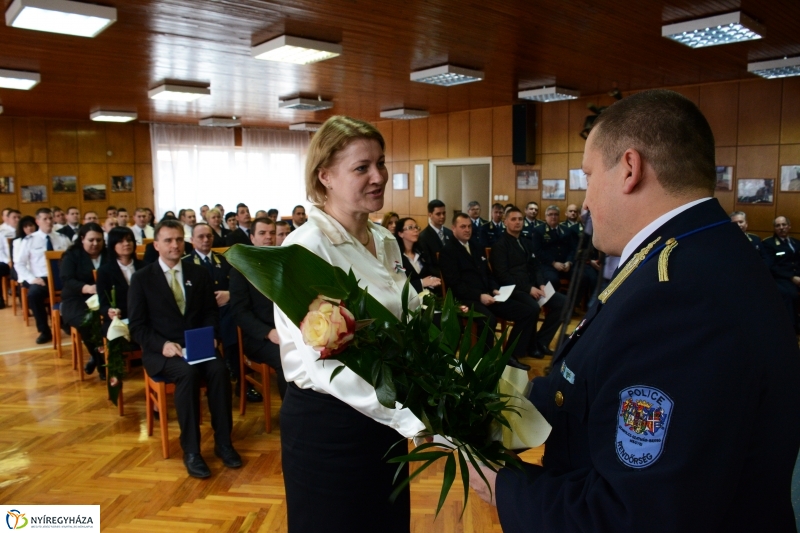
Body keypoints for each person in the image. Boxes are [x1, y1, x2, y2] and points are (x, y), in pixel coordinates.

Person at [469, 89, 800, 533]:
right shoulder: (694, 251)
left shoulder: (676, 294)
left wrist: (501, 487)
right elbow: (596, 383)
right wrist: (507, 405)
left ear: (629, 168)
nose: (585, 203)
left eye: (588, 176)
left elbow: (632, 516)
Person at [275, 116, 424, 533]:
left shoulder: (385, 239)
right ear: (326, 176)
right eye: (362, 168)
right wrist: (412, 419)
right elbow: (329, 365)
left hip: (386, 412)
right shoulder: (306, 249)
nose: (379, 176)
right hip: (332, 428)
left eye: (381, 163)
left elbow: (405, 314)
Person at [128, 219, 240, 479]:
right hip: (162, 352)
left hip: (198, 347)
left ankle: (224, 443)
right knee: (187, 375)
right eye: (168, 240)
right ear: (156, 245)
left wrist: (212, 335)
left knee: (220, 371)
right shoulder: (142, 279)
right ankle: (192, 451)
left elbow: (211, 312)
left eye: (179, 239)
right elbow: (137, 326)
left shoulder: (198, 273)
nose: (175, 245)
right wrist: (163, 345)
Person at [439, 212, 537, 371]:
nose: (467, 230)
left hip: (488, 295)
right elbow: (455, 284)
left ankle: (510, 355)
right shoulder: (448, 251)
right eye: (463, 226)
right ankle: (485, 362)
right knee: (488, 319)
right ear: (453, 228)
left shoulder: (476, 246)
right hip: (465, 298)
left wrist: (493, 289)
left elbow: (489, 273)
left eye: (469, 226)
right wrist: (479, 296)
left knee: (528, 311)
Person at [490, 207, 567, 356]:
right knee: (532, 308)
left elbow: (536, 266)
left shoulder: (526, 242)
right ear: (505, 222)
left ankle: (541, 341)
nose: (518, 222)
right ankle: (525, 349)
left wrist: (541, 284)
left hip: (533, 286)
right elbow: (503, 276)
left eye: (520, 219)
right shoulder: (499, 246)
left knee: (563, 303)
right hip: (514, 289)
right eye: (513, 219)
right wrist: (528, 289)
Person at [230, 219, 287, 401]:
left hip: (286, 331)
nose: (268, 237)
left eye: (272, 233)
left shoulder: (283, 264)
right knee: (286, 359)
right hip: (258, 337)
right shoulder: (241, 268)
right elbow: (240, 312)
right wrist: (268, 332)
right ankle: (293, 416)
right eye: (262, 233)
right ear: (252, 238)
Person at [187, 223, 236, 378]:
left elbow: (238, 288)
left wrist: (229, 294)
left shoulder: (225, 260)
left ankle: (234, 368)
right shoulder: (186, 263)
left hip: (225, 310)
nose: (206, 240)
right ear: (192, 240)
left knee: (234, 318)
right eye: (201, 236)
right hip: (201, 315)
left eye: (209, 236)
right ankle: (219, 369)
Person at [15, 208, 71, 344]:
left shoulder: (62, 238)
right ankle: (44, 330)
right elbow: (19, 263)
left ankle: (67, 322)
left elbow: (73, 258)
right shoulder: (29, 240)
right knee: (33, 295)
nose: (49, 221)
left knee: (76, 291)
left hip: (62, 277)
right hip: (42, 279)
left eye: (50, 218)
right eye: (45, 219)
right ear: (37, 221)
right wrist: (32, 279)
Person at [59, 223, 107, 379]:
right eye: (91, 240)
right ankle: (102, 365)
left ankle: (101, 357)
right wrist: (87, 288)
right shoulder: (72, 255)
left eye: (99, 240)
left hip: (104, 297)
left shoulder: (109, 254)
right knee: (88, 323)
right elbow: (67, 280)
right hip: (76, 299)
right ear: (82, 239)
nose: (95, 244)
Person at [97, 226, 144, 339]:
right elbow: (103, 304)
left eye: (129, 240)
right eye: (121, 241)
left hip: (144, 316)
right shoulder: (104, 271)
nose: (126, 244)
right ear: (113, 245)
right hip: (121, 317)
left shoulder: (145, 267)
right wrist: (110, 311)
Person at [761, 216, 800, 329]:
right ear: (774, 228)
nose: (781, 228)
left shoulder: (796, 242)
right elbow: (772, 266)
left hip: (797, 276)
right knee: (791, 294)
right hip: (781, 278)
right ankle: (791, 326)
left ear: (789, 226)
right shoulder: (769, 243)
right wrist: (792, 277)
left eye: (784, 225)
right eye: (778, 225)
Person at [394, 217, 441, 293]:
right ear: (400, 233)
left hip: (427, 298)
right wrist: (421, 283)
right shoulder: (396, 258)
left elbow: (430, 272)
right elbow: (398, 285)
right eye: (410, 227)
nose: (415, 230)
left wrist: (432, 281)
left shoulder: (421, 253)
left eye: (416, 227)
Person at [417, 199, 452, 276]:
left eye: (444, 213)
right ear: (430, 215)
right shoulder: (423, 237)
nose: (442, 216)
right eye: (438, 214)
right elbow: (428, 264)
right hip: (438, 277)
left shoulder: (450, 233)